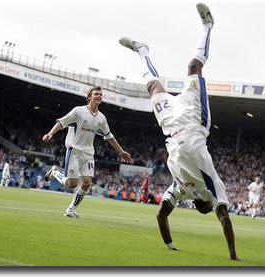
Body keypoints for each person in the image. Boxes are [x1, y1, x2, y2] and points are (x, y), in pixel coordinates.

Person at [119, 3, 241, 261]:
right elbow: (225, 219)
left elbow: (161, 214)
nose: (201, 206)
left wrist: (170, 246)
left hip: (171, 127)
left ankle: (143, 51)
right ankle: (208, 26)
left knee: (153, 87)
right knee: (193, 68)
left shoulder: (180, 189)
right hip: (195, 122)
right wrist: (232, 255)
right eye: (205, 207)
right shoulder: (214, 189)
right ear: (208, 205)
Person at [42, 86, 132, 218]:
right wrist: (50, 133)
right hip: (74, 150)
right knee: (72, 184)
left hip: (88, 153)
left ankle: (70, 209)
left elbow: (109, 136)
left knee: (86, 182)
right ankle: (55, 172)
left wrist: (121, 151)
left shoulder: (101, 118)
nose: (99, 96)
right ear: (89, 96)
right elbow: (62, 122)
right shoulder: (78, 111)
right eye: (96, 94)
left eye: (100, 95)